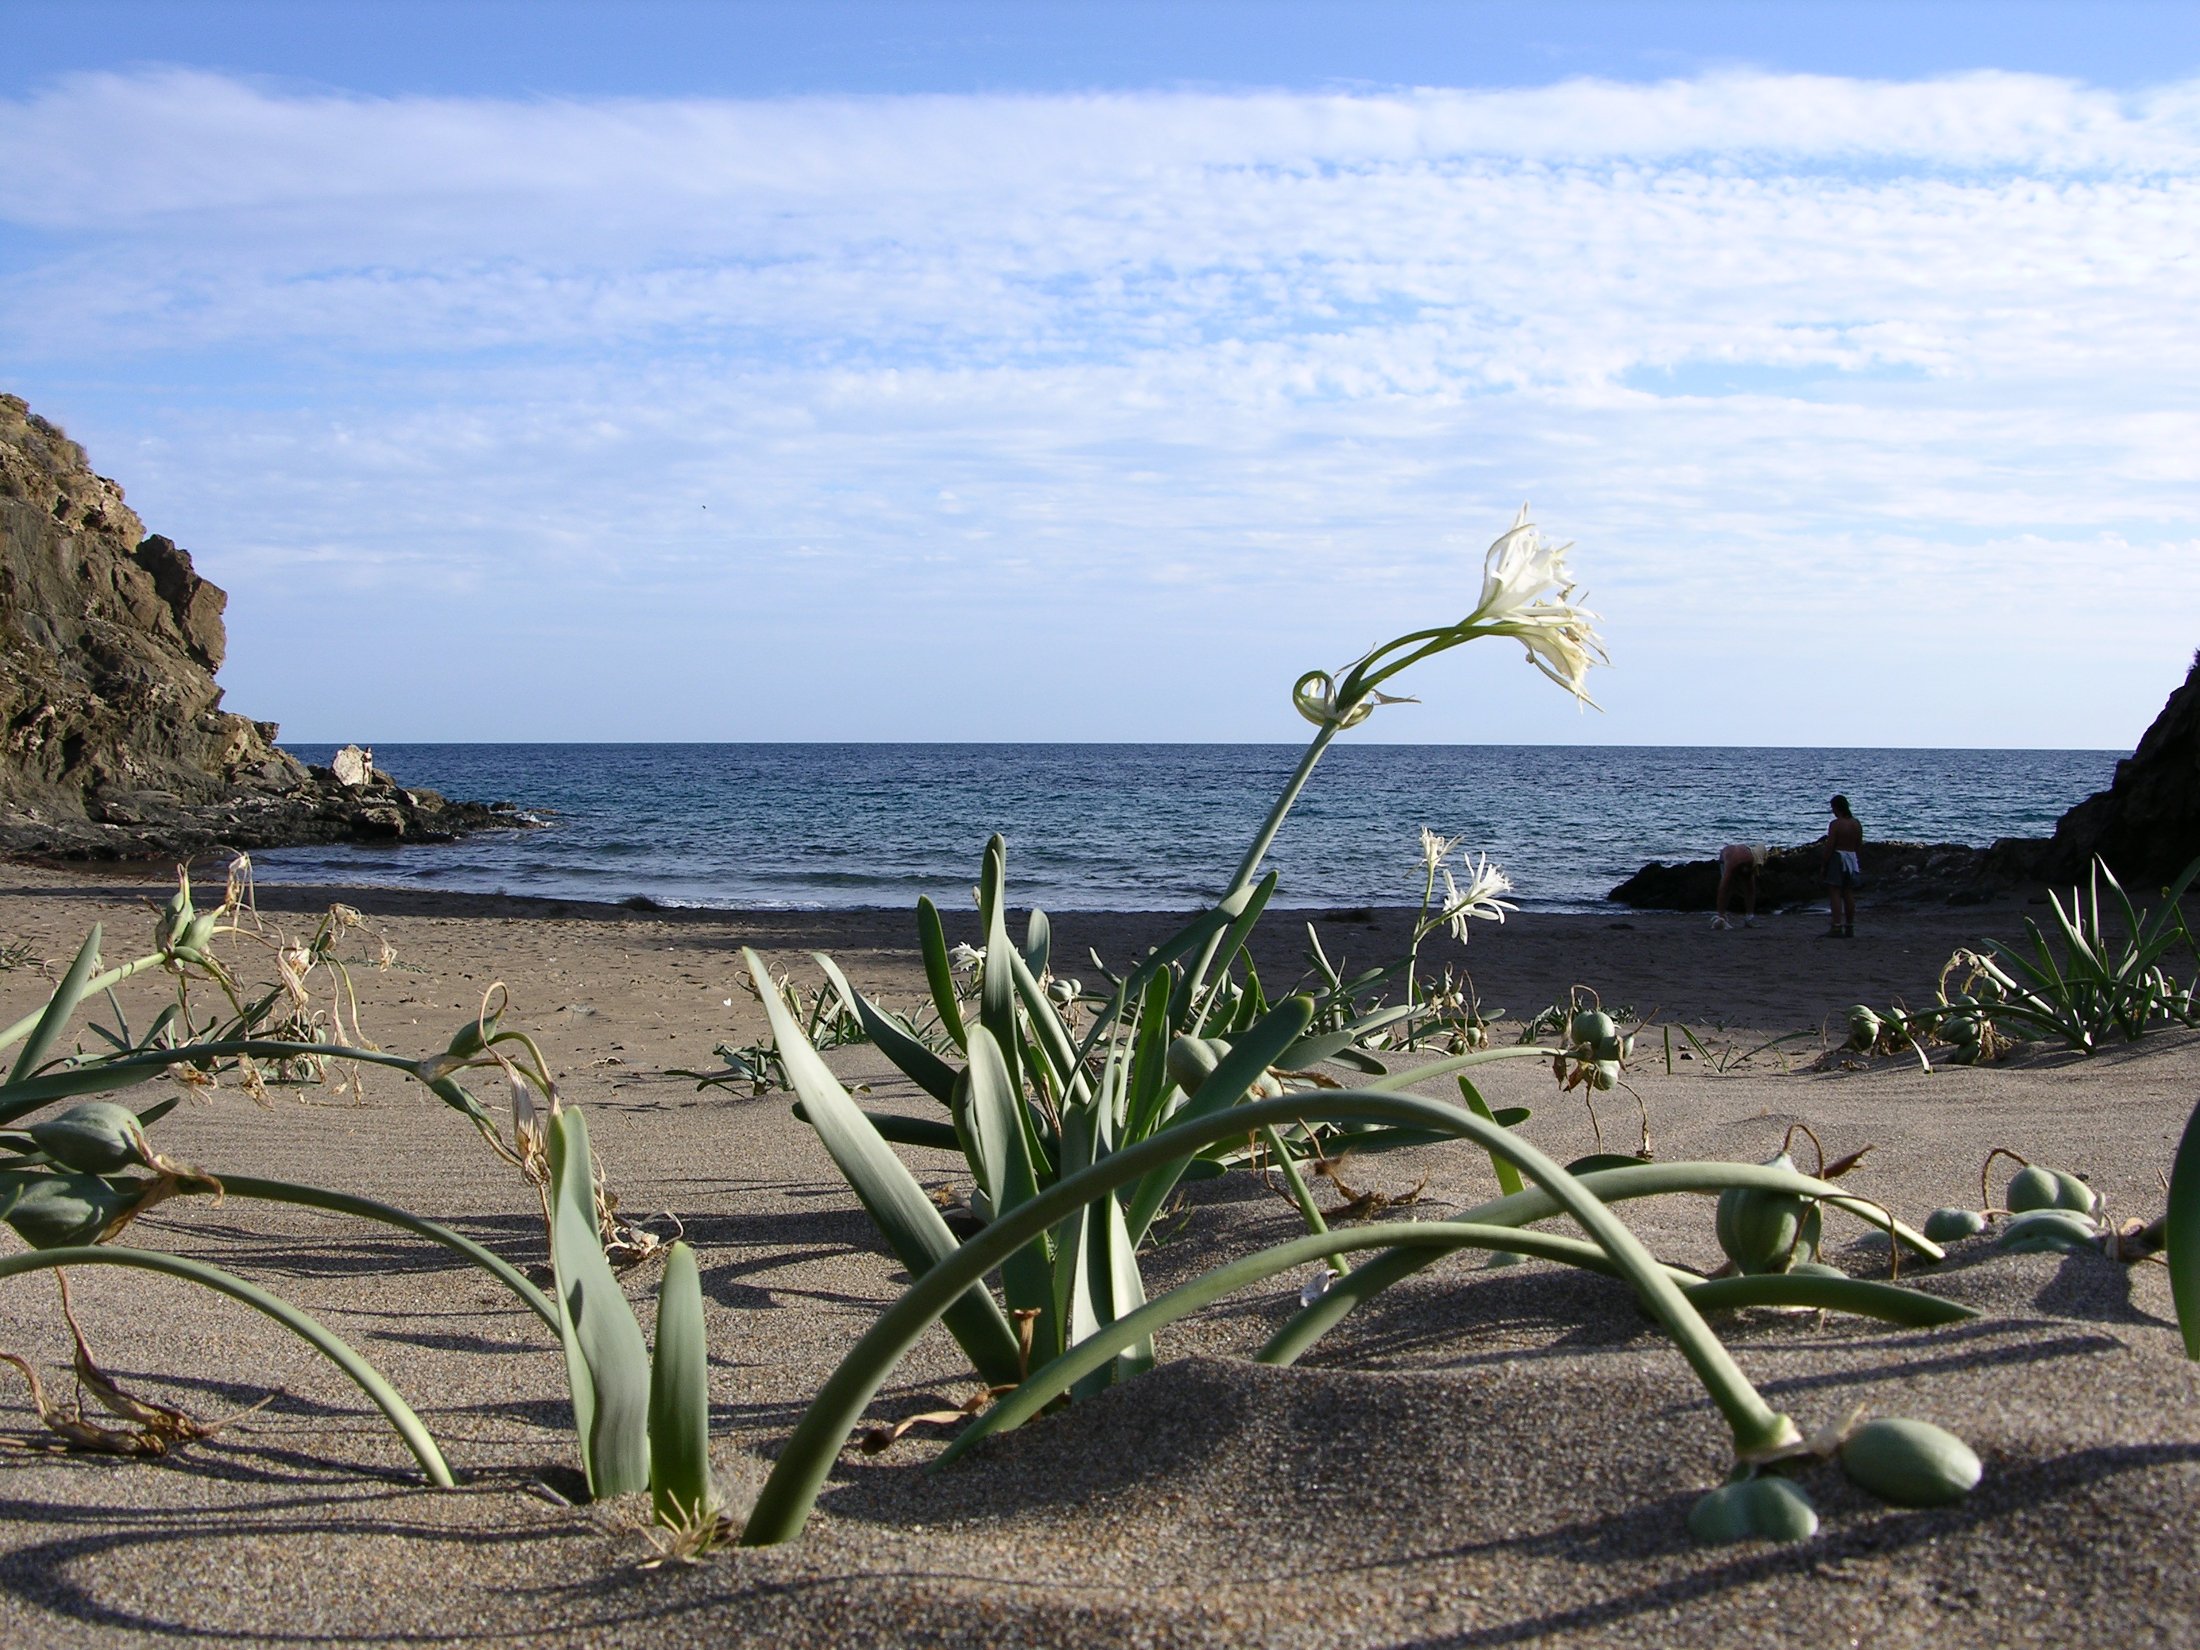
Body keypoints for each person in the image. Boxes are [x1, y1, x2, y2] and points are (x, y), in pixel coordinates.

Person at [1821, 795, 1863, 937]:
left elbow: (1830, 845)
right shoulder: (1856, 823)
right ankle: (1850, 925)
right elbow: (1858, 844)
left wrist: (1824, 863)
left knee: (1835, 892)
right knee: (1848, 892)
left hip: (1838, 857)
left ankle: (1837, 925)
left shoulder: (1836, 824)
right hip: (1851, 857)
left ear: (1836, 808)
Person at [1711, 842, 1767, 929]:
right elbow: (1724, 886)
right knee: (1727, 886)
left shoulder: (1751, 857)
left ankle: (1749, 917)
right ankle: (1721, 916)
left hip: (1743, 857)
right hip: (1727, 859)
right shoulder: (1736, 859)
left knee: (1750, 886)